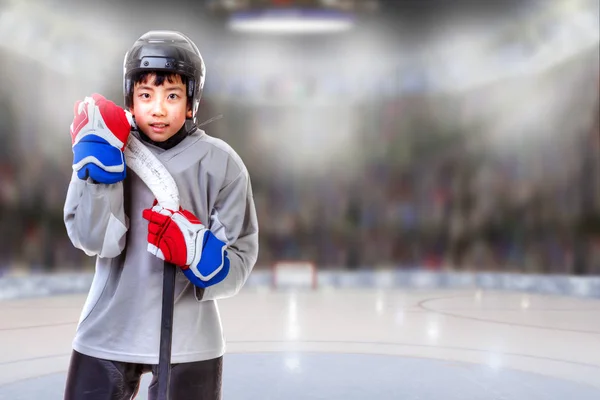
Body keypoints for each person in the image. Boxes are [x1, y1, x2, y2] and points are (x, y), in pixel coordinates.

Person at [63, 30, 259, 400]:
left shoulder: (223, 163)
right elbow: (94, 241)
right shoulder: (104, 142)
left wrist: (201, 255)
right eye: (145, 95)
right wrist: (97, 177)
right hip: (108, 329)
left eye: (172, 95)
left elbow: (241, 260)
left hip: (191, 340)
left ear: (191, 102)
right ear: (130, 99)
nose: (157, 108)